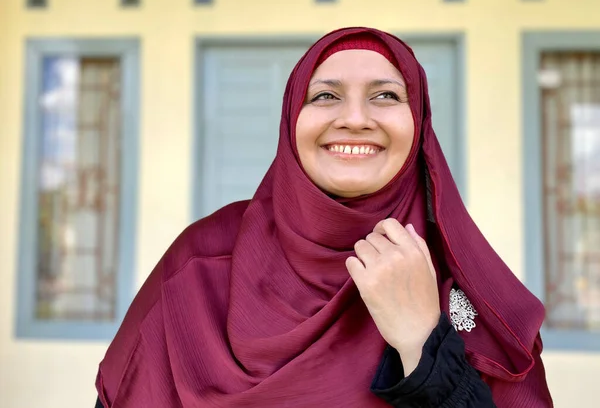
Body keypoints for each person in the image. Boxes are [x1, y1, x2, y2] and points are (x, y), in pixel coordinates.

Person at [95, 27, 553, 407]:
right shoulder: (202, 259)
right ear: (292, 117)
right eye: (326, 95)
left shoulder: (459, 282)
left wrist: (423, 344)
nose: (355, 118)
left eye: (386, 95)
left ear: (419, 126)